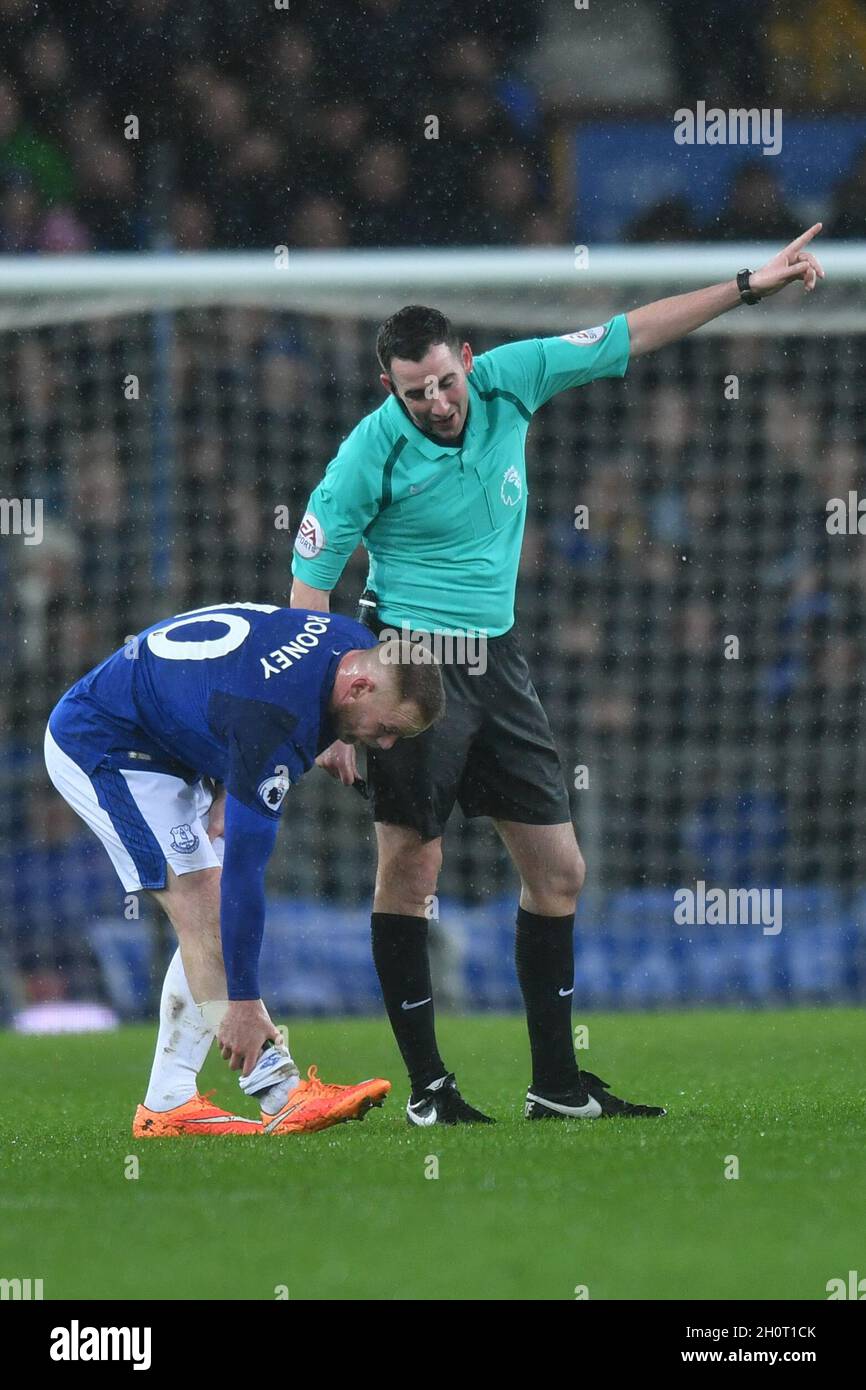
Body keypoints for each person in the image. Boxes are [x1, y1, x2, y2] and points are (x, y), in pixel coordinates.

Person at [291, 227, 824, 1125]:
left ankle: (555, 1084)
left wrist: (748, 284)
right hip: (410, 661)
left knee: (560, 871)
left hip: (496, 658)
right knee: (411, 874)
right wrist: (328, 723)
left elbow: (634, 332)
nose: (438, 402)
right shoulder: (365, 455)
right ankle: (430, 1089)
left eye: (445, 382)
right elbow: (308, 591)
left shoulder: (513, 376)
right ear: (391, 387)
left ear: (467, 358)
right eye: (415, 392)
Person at [44, 602, 444, 1136]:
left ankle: (168, 1103)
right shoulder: (273, 722)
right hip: (107, 744)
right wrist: (243, 1002)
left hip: (168, 737)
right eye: (389, 729)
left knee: (206, 898)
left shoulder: (348, 640)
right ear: (358, 688)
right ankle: (279, 1094)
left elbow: (254, 674)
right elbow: (244, 876)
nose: (387, 744)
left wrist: (331, 737)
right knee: (202, 899)